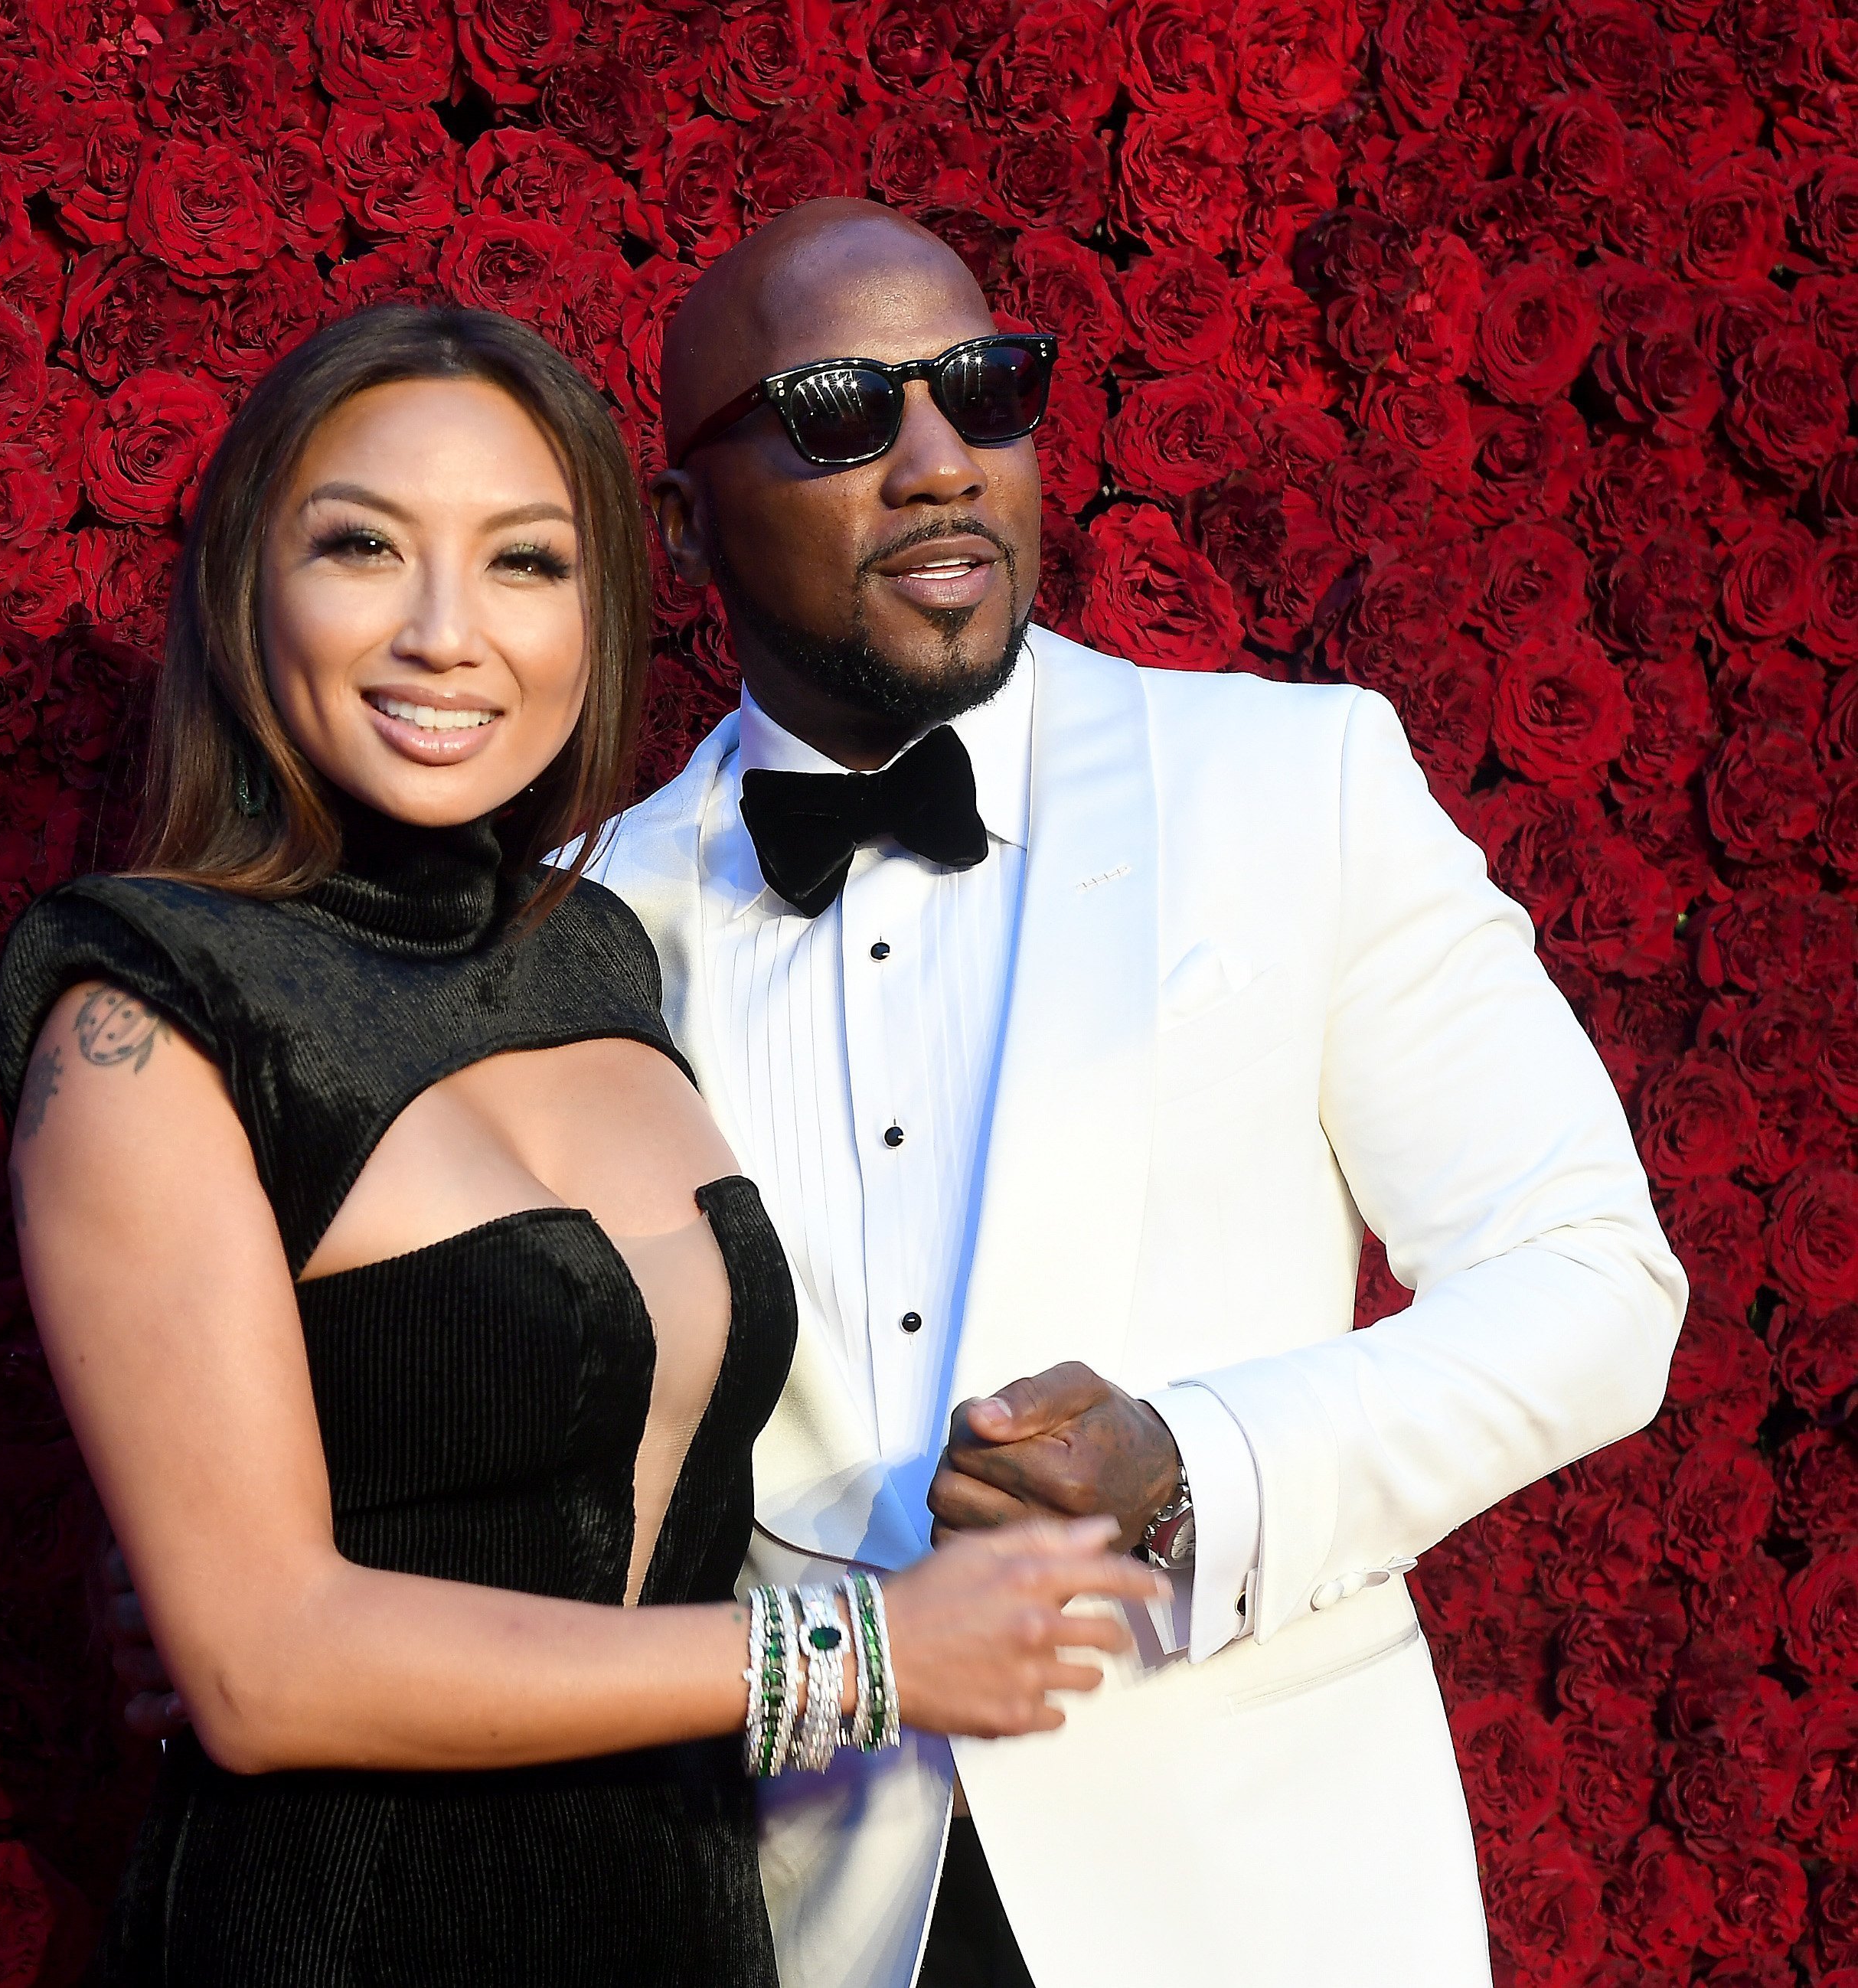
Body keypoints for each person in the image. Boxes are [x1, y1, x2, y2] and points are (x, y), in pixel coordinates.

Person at [0, 302, 1163, 1987]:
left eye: (524, 563)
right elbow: (258, 1670)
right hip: (343, 1932)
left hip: (685, 1926)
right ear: (248, 587)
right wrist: (865, 1659)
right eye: (361, 549)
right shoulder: (147, 1011)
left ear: (600, 609)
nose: (446, 635)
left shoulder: (599, 951)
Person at [598, 199, 1686, 1986]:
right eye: (837, 413)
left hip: (1256, 1906)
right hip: (785, 1916)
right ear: (680, 525)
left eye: (983, 390)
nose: (938, 464)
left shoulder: (1298, 784)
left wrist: (1193, 1465)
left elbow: (1592, 1282)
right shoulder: (586, 930)